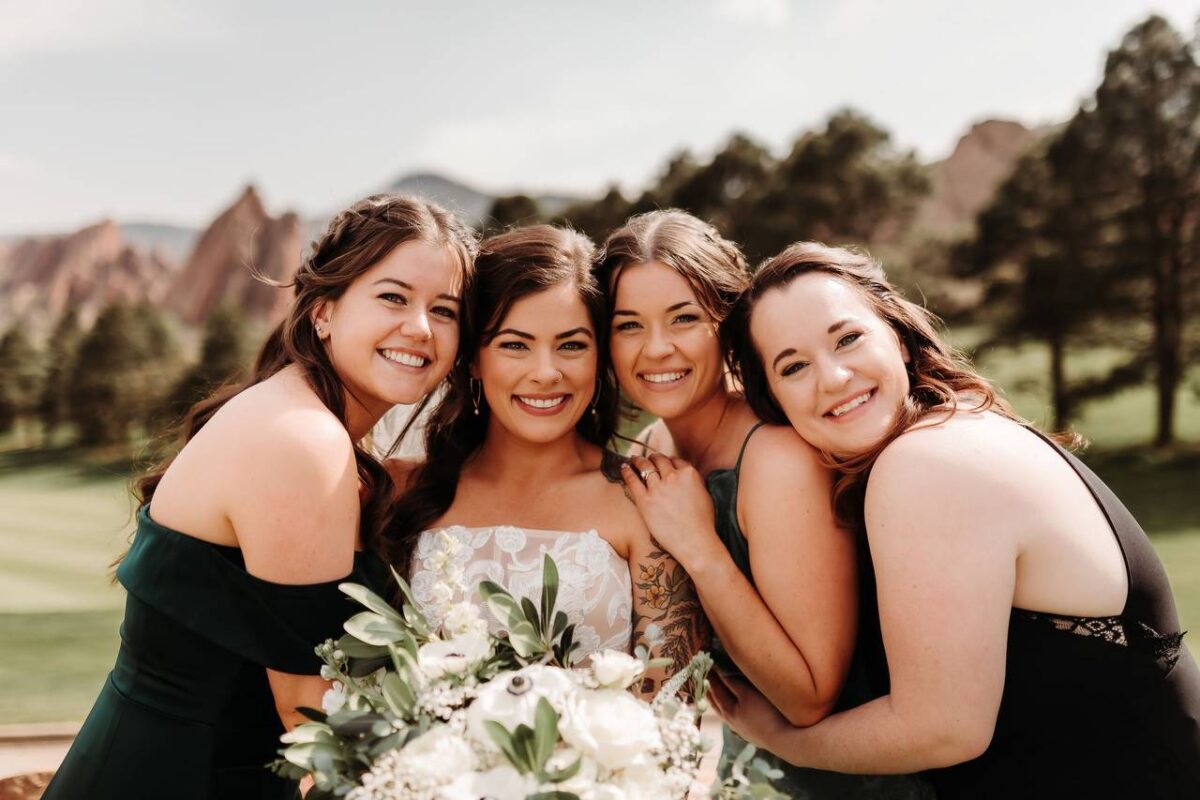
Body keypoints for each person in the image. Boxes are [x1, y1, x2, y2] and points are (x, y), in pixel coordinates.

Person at [706, 241, 1200, 797]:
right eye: (793, 366)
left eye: (848, 338)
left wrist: (782, 739)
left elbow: (944, 729)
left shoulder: (925, 464)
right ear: (775, 400)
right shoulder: (953, 431)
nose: (834, 377)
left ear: (898, 337)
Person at [43, 195, 477, 800]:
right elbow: (312, 714)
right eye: (393, 297)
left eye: (444, 310)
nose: (420, 327)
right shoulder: (303, 441)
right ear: (323, 311)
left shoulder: (311, 419)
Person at [602, 210, 931, 797]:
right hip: (744, 772)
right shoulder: (652, 445)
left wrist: (699, 545)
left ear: (727, 322)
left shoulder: (778, 457)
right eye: (629, 325)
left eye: (683, 318)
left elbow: (808, 697)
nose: (656, 348)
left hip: (846, 783)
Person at [387, 224, 705, 692]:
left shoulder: (646, 500)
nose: (546, 373)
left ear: (600, 358)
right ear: (473, 359)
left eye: (571, 345)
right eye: (515, 345)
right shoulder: (400, 492)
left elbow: (673, 703)